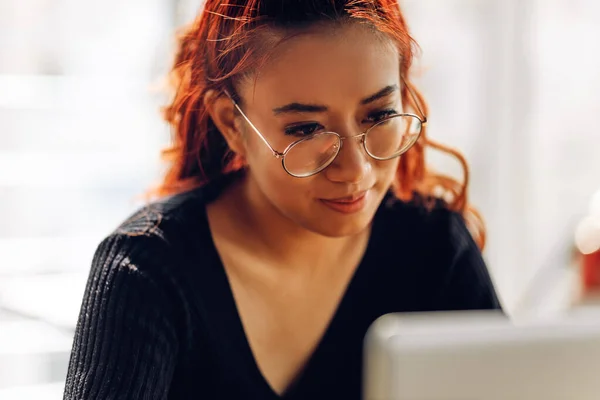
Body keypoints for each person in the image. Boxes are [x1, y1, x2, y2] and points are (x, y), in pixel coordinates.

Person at [63, 0, 502, 399]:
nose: (355, 169)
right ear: (232, 125)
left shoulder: (434, 247)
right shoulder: (147, 271)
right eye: (306, 129)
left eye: (379, 115)